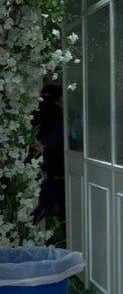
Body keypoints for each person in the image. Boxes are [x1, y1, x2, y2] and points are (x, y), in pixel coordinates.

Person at [30, 83, 66, 231]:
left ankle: (22, 230)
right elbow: (63, 135)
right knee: (50, 204)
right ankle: (22, 230)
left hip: (46, 166)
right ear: (57, 99)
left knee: (49, 203)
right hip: (57, 168)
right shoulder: (58, 118)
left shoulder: (37, 113)